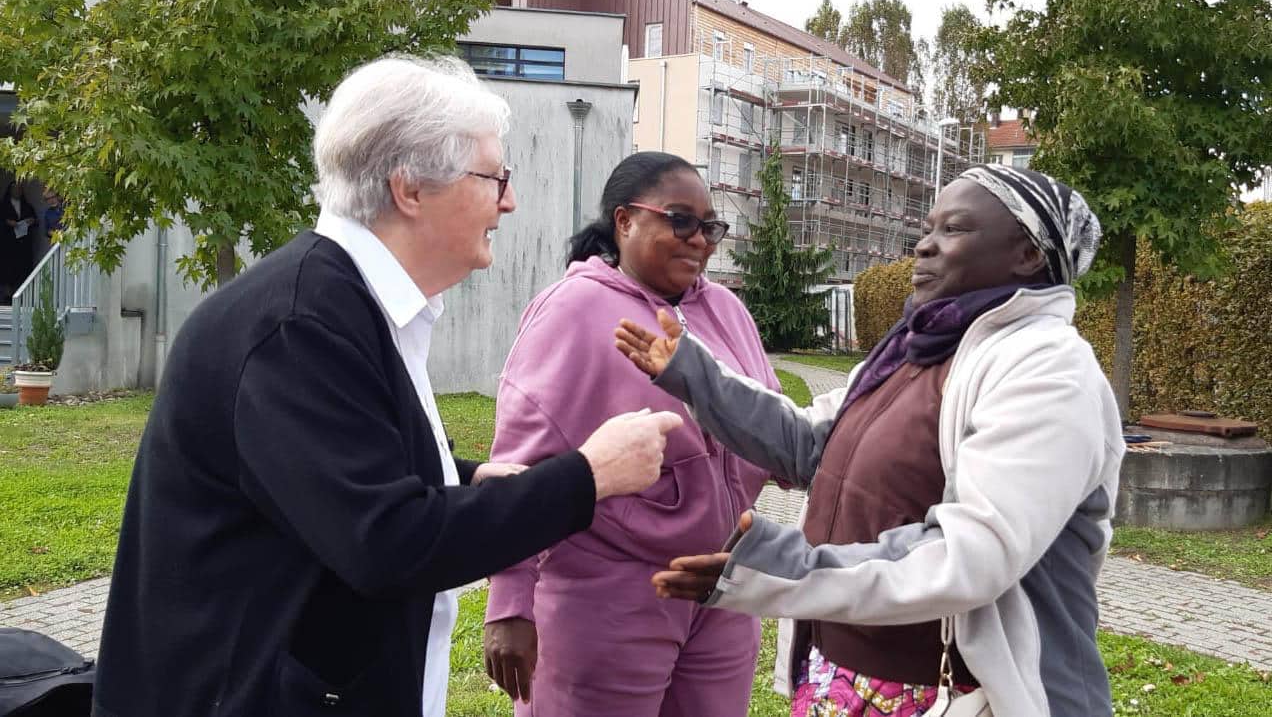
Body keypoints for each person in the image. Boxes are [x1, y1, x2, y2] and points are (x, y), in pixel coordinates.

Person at [90, 55, 683, 717]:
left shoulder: (345, 302)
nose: (509, 200)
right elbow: (390, 543)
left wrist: (465, 479)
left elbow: (340, 468)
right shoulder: (298, 325)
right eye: (495, 177)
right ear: (410, 190)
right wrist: (588, 475)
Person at [617, 164, 1124, 717]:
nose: (925, 247)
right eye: (926, 230)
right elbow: (810, 444)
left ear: (1027, 254)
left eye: (953, 229)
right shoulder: (918, 348)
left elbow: (973, 552)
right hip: (848, 677)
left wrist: (786, 566)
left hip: (962, 695)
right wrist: (695, 375)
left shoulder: (1049, 369)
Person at [482, 152, 780, 716]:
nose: (700, 240)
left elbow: (773, 425)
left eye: (710, 226)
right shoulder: (572, 310)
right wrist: (509, 599)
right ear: (624, 221)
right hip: (608, 595)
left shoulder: (726, 310)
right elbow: (521, 461)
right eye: (680, 220)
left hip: (720, 589)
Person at [0, 179, 37, 303]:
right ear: (10, 190)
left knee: (23, 270)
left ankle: (22, 297)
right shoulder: (3, 206)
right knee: (8, 271)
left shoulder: (27, 206)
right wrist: (7, 222)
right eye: (15, 188)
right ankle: (7, 297)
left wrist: (31, 221)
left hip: (23, 245)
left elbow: (35, 220)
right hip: (8, 244)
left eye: (20, 189)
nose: (18, 191)